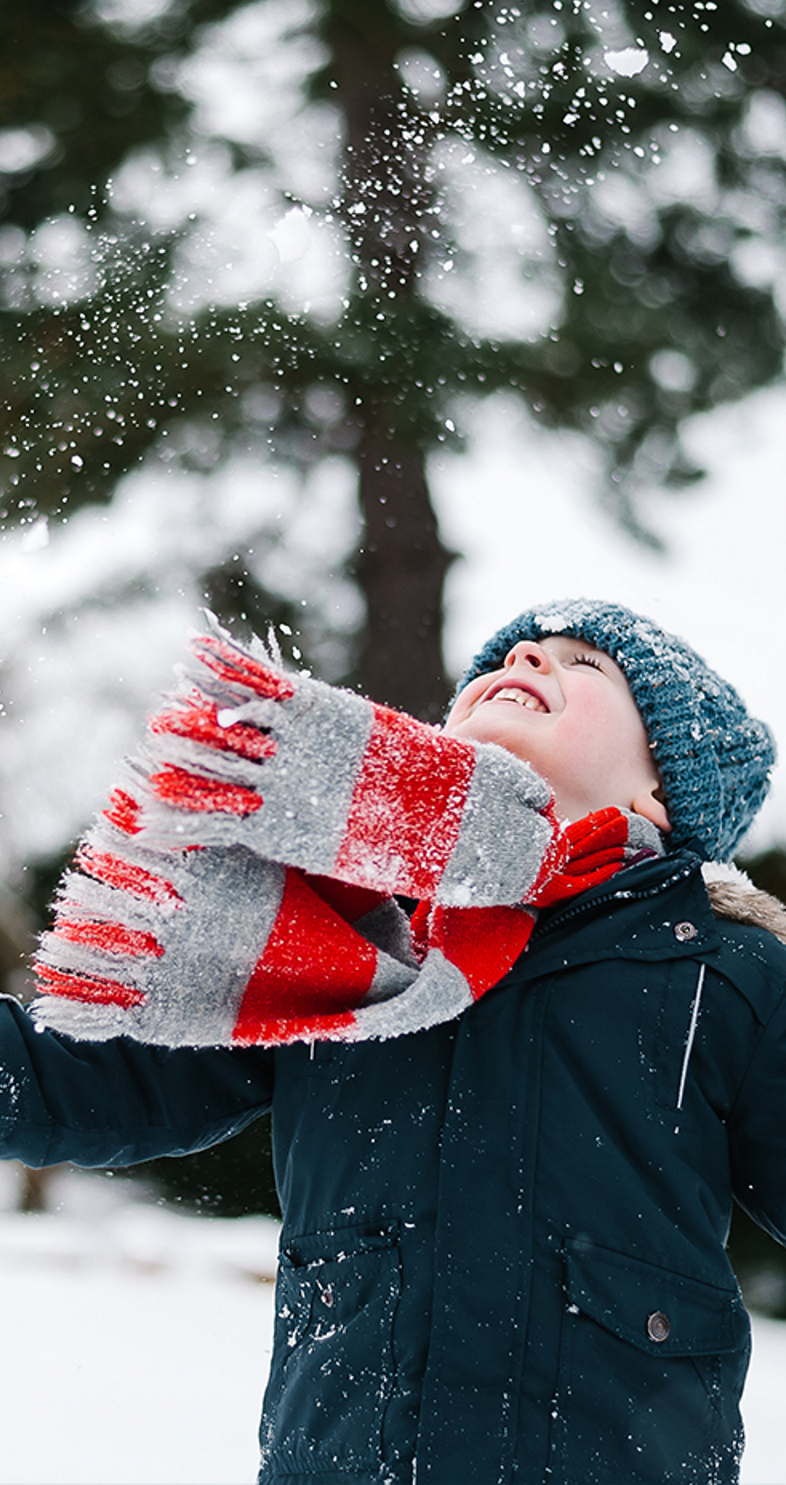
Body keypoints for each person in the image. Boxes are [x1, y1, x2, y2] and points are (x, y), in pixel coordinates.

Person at [1, 595, 785, 1485]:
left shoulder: (723, 972)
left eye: (583, 664)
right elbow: (87, 1076)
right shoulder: (350, 944)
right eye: (510, 655)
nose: (526, 656)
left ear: (661, 788)